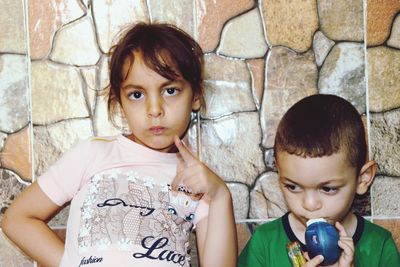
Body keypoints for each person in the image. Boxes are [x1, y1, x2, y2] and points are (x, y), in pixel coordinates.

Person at [2, 22, 237, 267]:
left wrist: (220, 195)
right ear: (120, 101)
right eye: (137, 94)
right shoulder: (92, 153)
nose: (154, 110)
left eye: (170, 90)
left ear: (196, 96)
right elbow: (17, 219)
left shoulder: (199, 180)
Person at [238, 94, 400, 267]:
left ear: (362, 179)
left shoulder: (380, 246)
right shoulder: (264, 243)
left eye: (328, 189)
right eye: (292, 186)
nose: (309, 204)